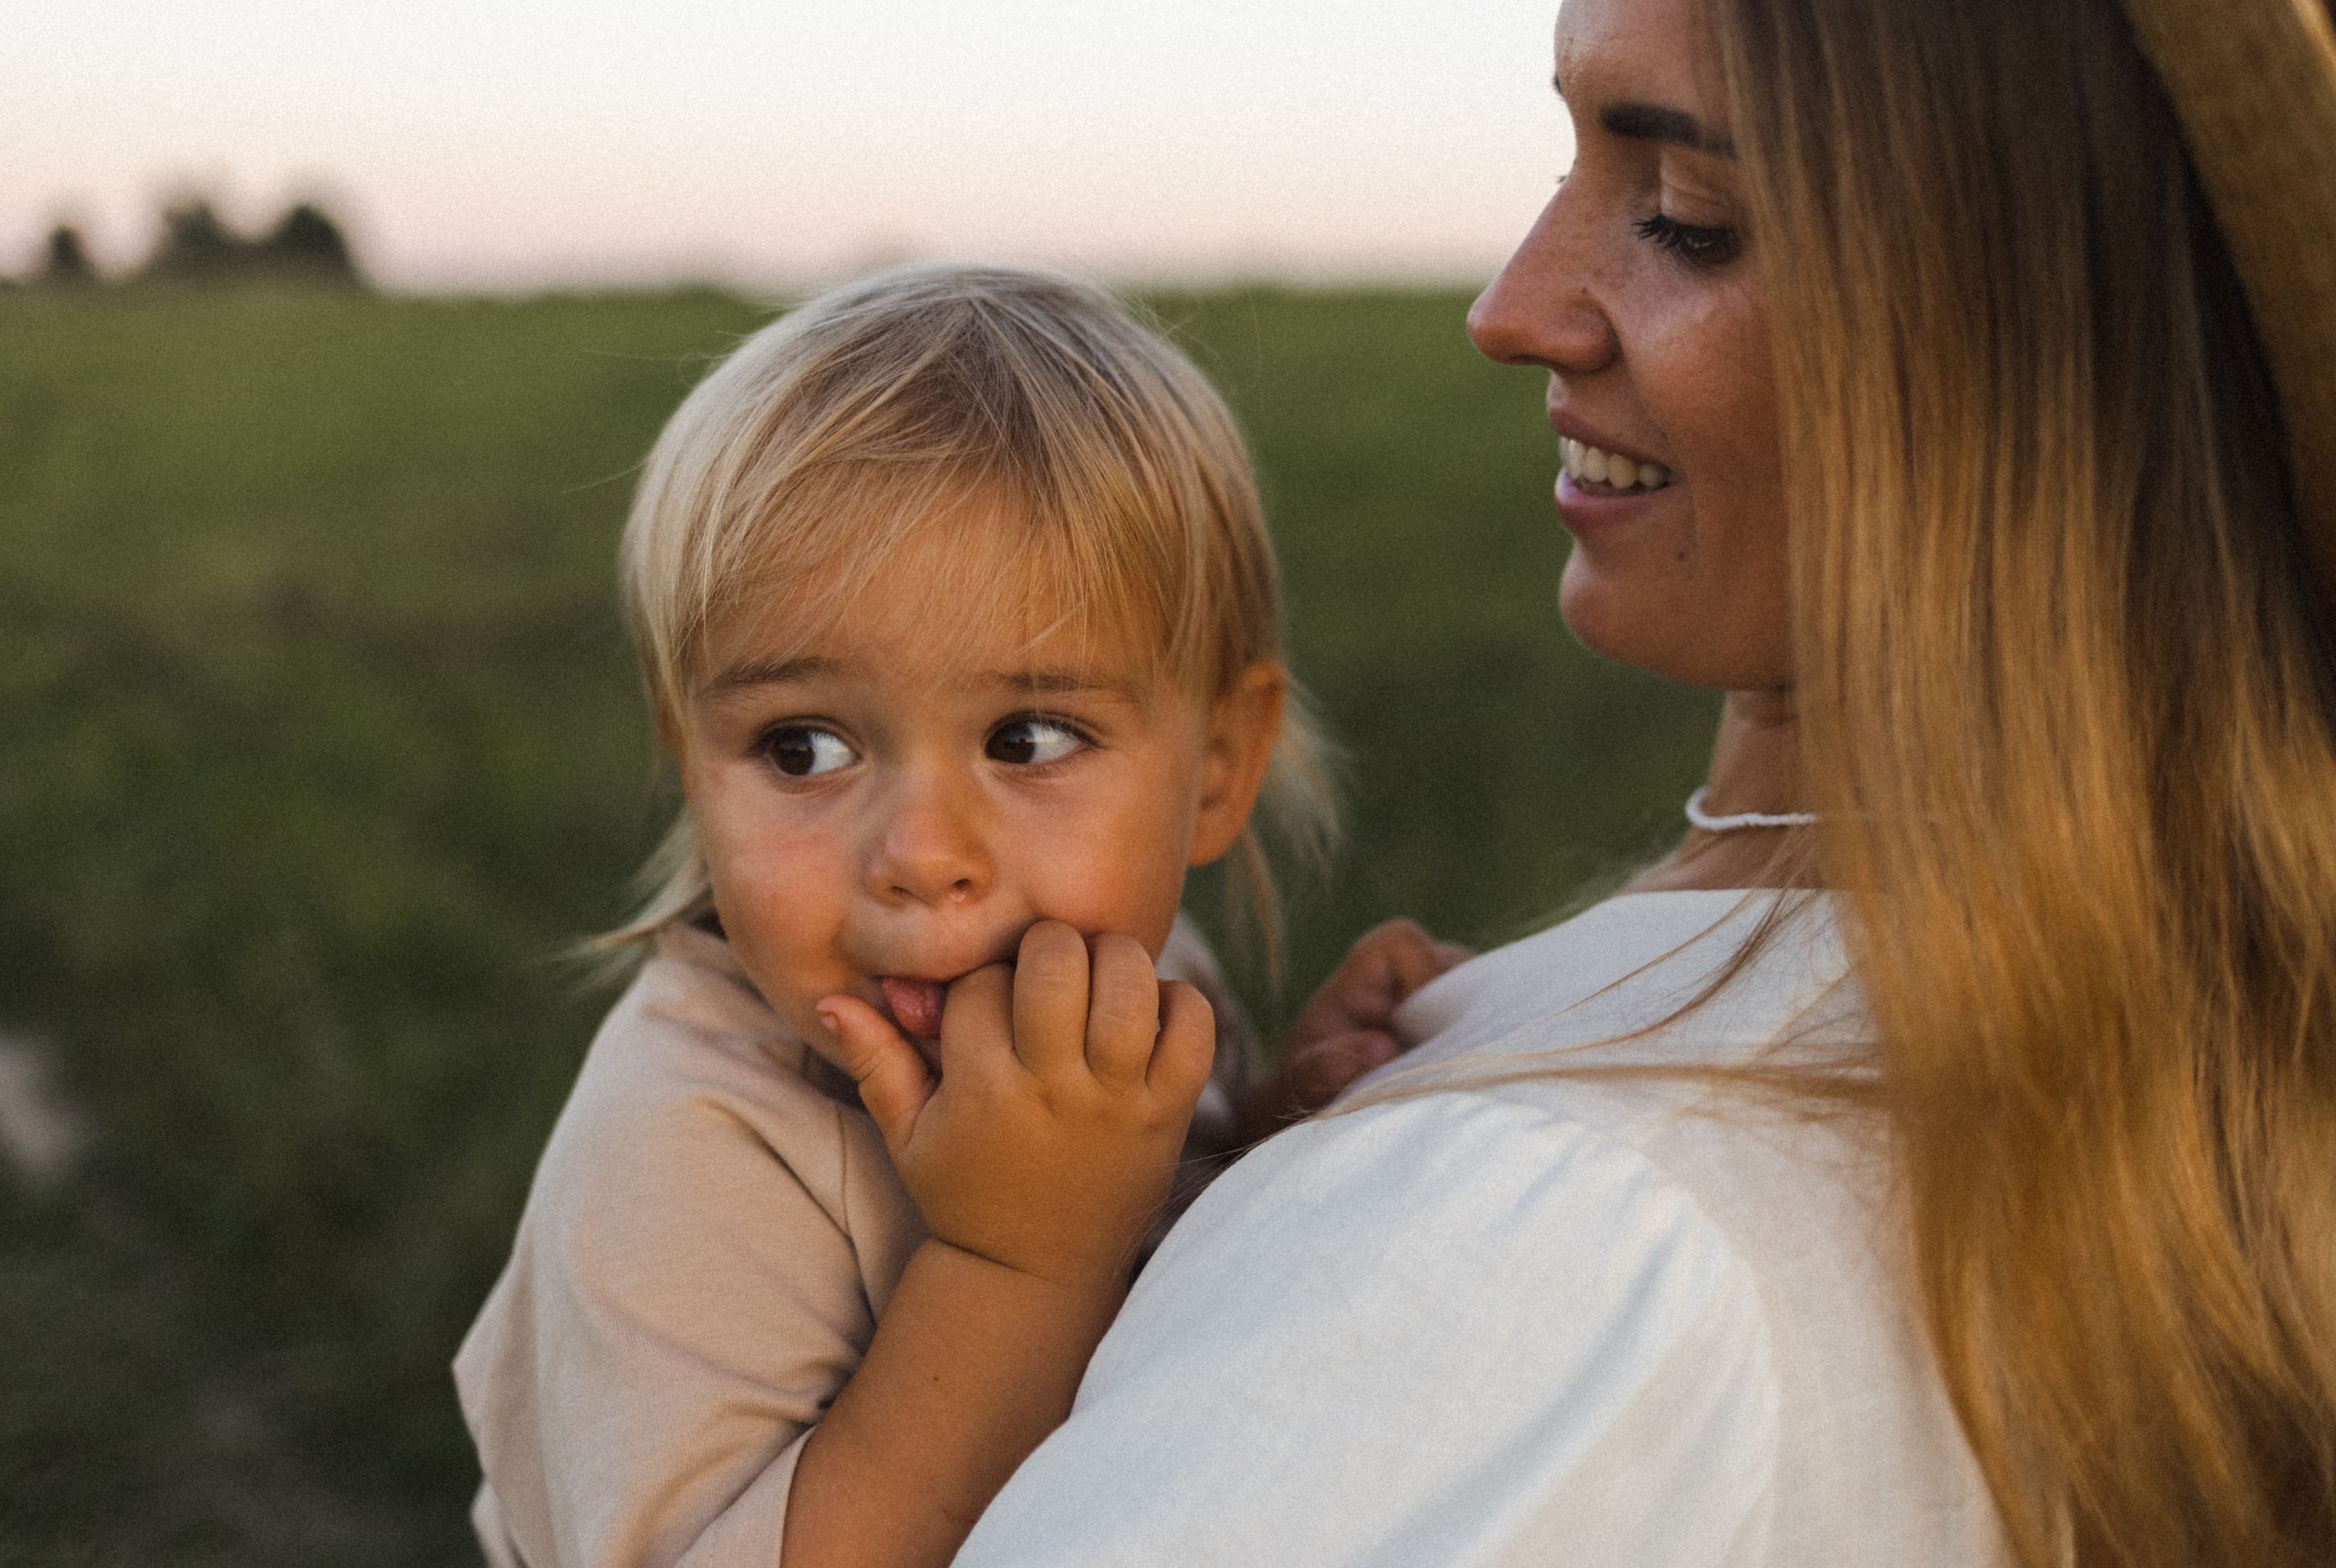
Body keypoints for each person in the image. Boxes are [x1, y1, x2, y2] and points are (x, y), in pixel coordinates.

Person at [954, 0, 2336, 1563]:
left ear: (2034, 340)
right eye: (1569, 158)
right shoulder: (2181, 1087)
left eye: (1686, 220)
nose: (1514, 305)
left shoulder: (1550, 1232)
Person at [451, 264, 1439, 1568]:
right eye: (801, 749)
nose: (921, 859)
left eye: (1028, 738)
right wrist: (1016, 1267)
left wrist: (1261, 1142)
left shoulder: (1120, 985)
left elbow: (1154, 1333)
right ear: (693, 765)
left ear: (1214, 769)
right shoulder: (682, 1163)